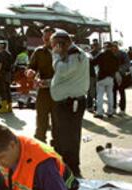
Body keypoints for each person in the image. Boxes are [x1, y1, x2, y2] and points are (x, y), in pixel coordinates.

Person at [50, 30, 89, 178]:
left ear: (61, 44)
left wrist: (56, 56)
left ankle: (72, 168)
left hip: (71, 103)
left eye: (54, 45)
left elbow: (63, 71)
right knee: (61, 137)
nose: (53, 48)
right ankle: (64, 166)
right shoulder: (69, 55)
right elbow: (66, 79)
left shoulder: (74, 54)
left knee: (69, 138)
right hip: (65, 102)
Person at [26, 26, 56, 144]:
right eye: (44, 37)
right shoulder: (38, 51)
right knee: (41, 119)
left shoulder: (62, 52)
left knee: (57, 121)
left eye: (49, 38)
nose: (46, 40)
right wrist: (30, 73)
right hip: (43, 90)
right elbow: (31, 67)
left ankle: (57, 145)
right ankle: (40, 144)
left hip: (59, 91)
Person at [92, 42, 119, 118]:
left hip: (101, 77)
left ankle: (99, 112)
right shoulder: (114, 56)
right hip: (110, 77)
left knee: (100, 95)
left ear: (105, 47)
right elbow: (117, 67)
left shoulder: (101, 54)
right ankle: (110, 112)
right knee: (110, 95)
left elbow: (93, 62)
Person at [0, 41, 14, 113]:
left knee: (2, 90)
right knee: (7, 90)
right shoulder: (9, 54)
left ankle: (4, 108)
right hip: (8, 74)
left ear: (1, 46)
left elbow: (0, 64)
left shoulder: (0, 54)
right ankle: (10, 107)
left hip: (2, 73)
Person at [112, 42, 130, 115]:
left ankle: (122, 109)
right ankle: (113, 108)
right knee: (113, 93)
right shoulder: (110, 54)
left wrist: (119, 70)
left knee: (121, 92)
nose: (113, 48)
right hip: (112, 76)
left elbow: (127, 64)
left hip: (121, 76)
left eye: (114, 46)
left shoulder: (123, 54)